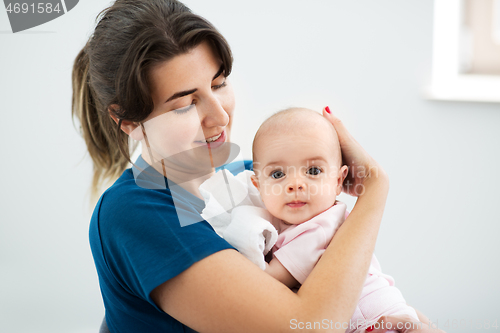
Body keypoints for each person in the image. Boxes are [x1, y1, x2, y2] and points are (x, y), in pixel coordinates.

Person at [72, 0, 440, 332]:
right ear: (128, 120)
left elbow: (358, 286)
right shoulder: (136, 211)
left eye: (218, 84)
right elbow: (309, 326)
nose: (219, 116)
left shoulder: (251, 177)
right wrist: (374, 190)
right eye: (185, 104)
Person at [199, 107, 432, 333]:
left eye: (313, 171)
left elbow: (267, 281)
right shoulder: (287, 221)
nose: (296, 184)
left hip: (376, 320)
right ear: (258, 186)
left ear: (339, 180)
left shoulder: (321, 227)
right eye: (278, 174)